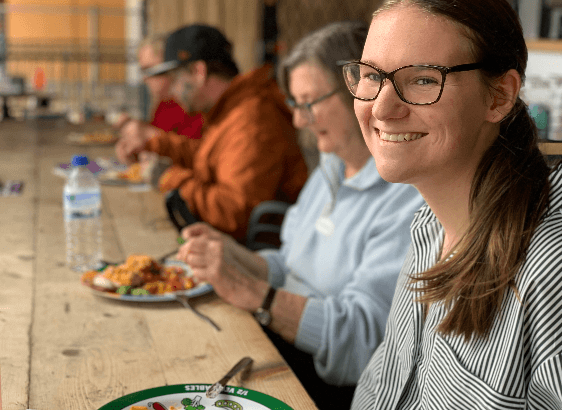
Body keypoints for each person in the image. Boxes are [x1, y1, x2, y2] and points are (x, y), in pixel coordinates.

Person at [177, 22, 424, 410]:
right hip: (276, 342)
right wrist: (231, 255)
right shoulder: (330, 167)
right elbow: (290, 264)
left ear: (361, 92)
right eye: (296, 104)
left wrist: (254, 294)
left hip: (323, 386)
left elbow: (361, 341)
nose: (298, 120)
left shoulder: (406, 198)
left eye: (309, 103)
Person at [343, 1, 562, 409]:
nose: (382, 109)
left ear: (499, 96)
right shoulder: (428, 224)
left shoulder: (549, 268)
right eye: (372, 75)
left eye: (424, 80)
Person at [116, 25, 308, 243]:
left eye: (175, 78)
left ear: (199, 72)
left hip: (256, 255)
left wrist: (170, 178)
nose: (171, 90)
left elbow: (233, 214)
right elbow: (209, 158)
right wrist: (155, 143)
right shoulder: (231, 109)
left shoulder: (252, 119)